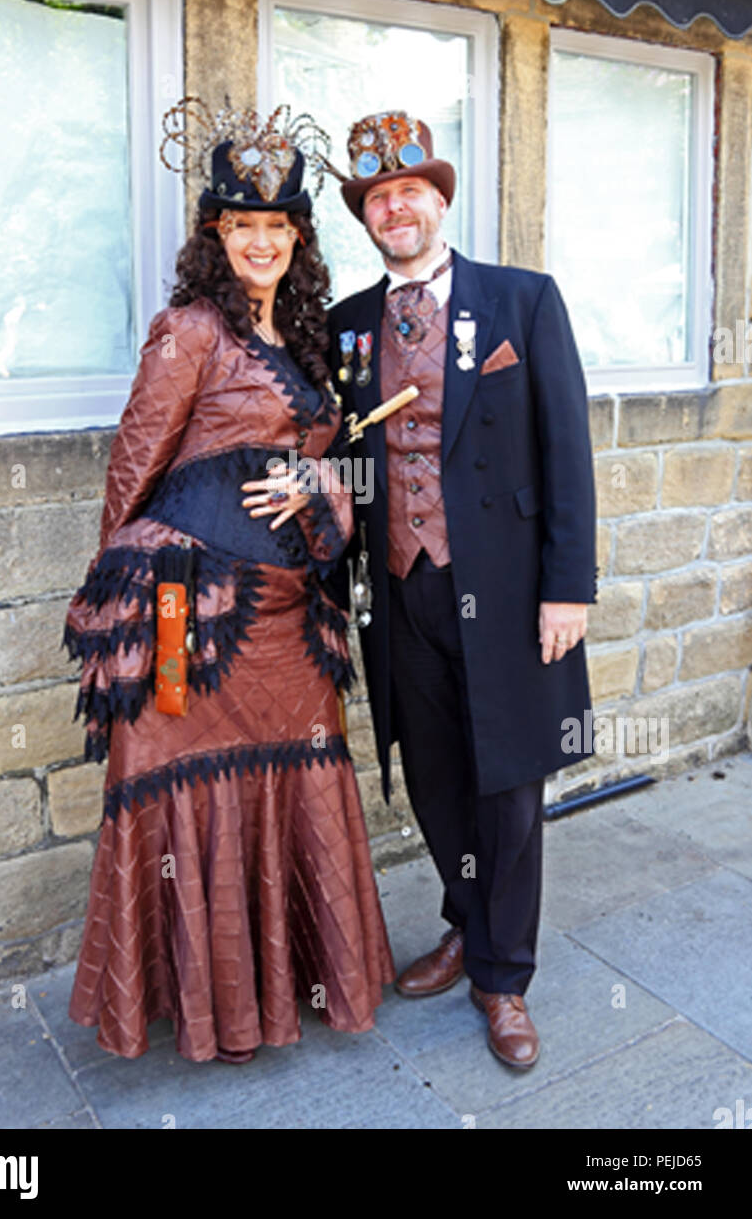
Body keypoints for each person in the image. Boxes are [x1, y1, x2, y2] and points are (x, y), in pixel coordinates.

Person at [62, 100, 394, 1063]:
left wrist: (323, 481)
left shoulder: (304, 335)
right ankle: (213, 1013)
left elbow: (330, 461)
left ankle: (278, 994)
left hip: (289, 623)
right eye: (241, 225)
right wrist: (114, 606)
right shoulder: (188, 331)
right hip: (186, 614)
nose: (260, 240)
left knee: (294, 780)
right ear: (216, 233)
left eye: (277, 225)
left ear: (298, 236)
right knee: (177, 791)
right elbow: (134, 465)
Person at [326, 110, 597, 1070]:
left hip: (511, 589)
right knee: (435, 774)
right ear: (364, 217)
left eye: (410, 191)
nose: (394, 208)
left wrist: (568, 589)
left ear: (439, 201)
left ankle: (504, 976)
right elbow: (343, 459)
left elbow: (567, 449)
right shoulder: (346, 326)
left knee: (510, 785)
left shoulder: (520, 301)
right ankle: (463, 921)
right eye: (375, 198)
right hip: (399, 589)